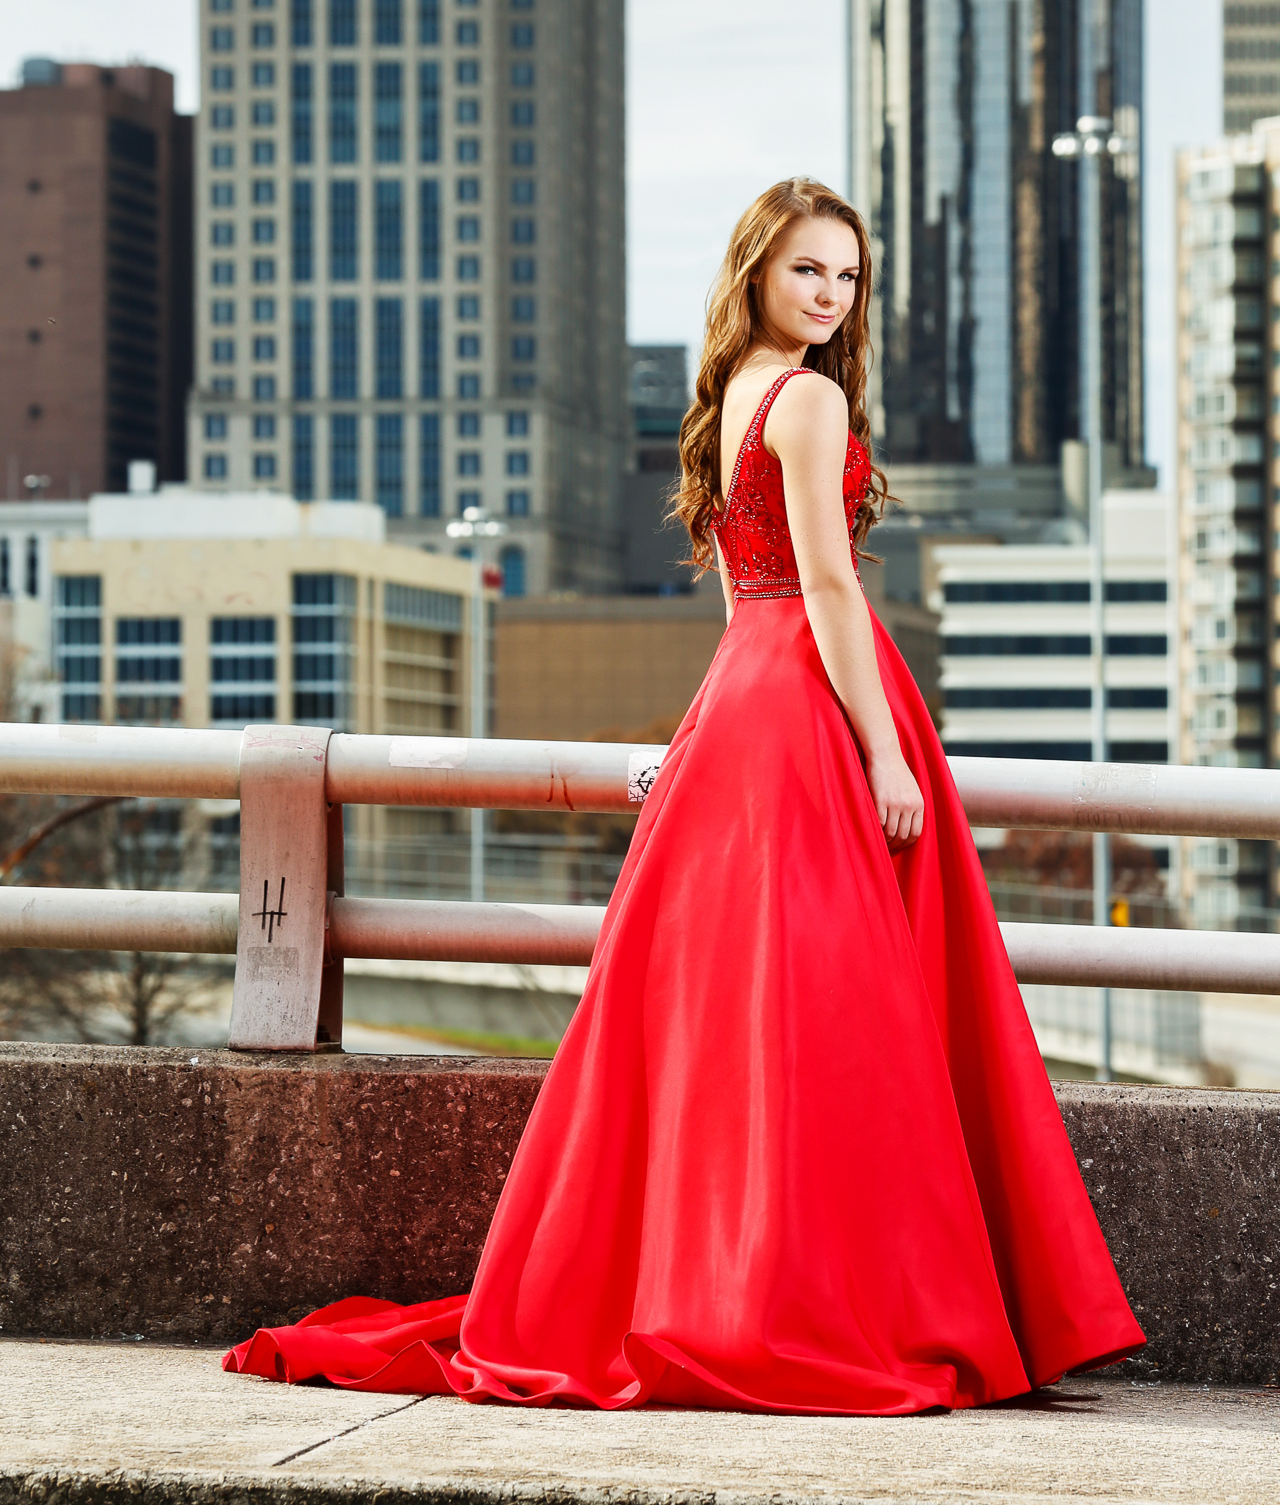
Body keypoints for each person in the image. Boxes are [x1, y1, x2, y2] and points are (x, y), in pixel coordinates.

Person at [224, 176, 1144, 1411]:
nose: (829, 294)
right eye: (807, 270)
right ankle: (828, 1300)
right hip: (812, 700)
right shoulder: (807, 397)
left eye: (847, 276)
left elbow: (741, 594)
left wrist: (756, 700)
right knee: (843, 1017)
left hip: (741, 698)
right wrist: (880, 750)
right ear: (756, 272)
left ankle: (733, 1283)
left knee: (733, 1017)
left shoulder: (726, 403)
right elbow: (826, 587)